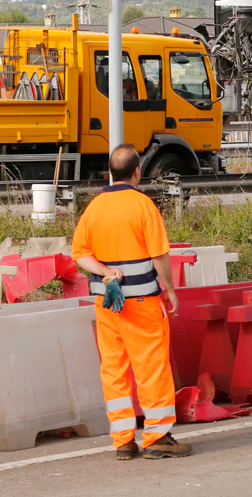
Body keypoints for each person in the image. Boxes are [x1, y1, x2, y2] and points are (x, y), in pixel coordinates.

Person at [72, 144, 191, 460]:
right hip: (141, 303)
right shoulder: (143, 205)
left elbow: (80, 254)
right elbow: (159, 255)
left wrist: (105, 271)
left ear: (110, 172)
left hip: (108, 305)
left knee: (114, 369)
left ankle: (123, 440)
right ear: (137, 171)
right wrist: (170, 289)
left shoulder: (94, 207)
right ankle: (156, 437)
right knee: (151, 367)